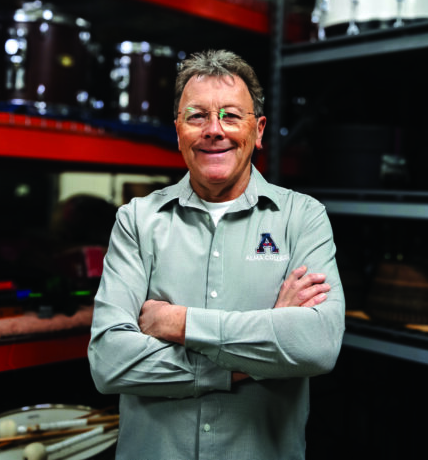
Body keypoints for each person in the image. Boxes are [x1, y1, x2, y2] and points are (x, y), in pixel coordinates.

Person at [88, 49, 345, 459]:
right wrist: (256, 356)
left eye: (230, 115)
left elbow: (317, 345)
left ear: (258, 131)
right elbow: (109, 361)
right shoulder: (137, 220)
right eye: (197, 116)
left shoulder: (302, 217)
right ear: (178, 131)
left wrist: (179, 323)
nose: (214, 130)